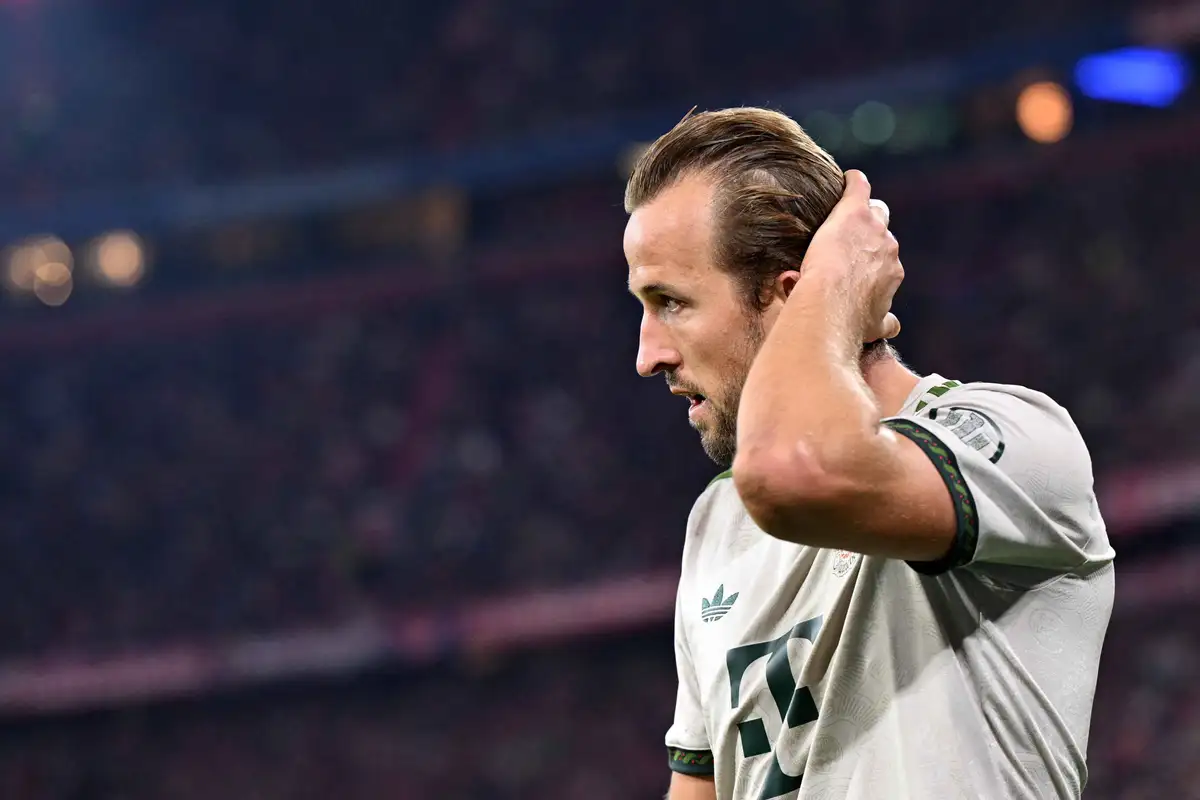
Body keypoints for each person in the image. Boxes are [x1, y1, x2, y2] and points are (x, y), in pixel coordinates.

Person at [623, 107, 1115, 800]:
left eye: (671, 302)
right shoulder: (717, 522)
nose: (648, 355)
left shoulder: (1016, 442)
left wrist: (835, 285)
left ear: (791, 296)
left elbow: (796, 472)